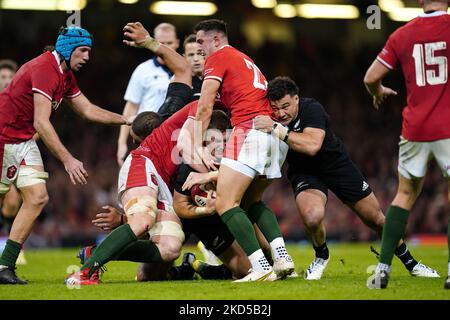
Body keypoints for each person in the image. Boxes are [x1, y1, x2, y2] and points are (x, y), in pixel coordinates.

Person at [254, 76, 439, 281]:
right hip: (305, 172)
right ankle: (321, 256)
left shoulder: (312, 109)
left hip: (337, 166)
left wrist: (277, 129)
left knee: (376, 219)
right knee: (312, 217)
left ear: (297, 99)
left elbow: (312, 145)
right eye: (276, 108)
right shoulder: (272, 117)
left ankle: (412, 264)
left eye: (285, 106)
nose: (280, 113)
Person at [64, 21, 197, 285]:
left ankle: (100, 252)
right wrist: (149, 42)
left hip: (164, 183)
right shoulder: (178, 111)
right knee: (143, 221)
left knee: (170, 248)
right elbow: (181, 69)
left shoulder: (208, 107)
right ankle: (87, 272)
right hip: (142, 167)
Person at [0, 26, 134, 285]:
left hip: (23, 141)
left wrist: (127, 120)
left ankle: (5, 266)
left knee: (37, 198)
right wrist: (68, 159)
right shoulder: (44, 69)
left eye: (89, 51)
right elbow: (41, 121)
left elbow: (88, 110)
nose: (87, 57)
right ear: (67, 47)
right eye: (83, 50)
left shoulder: (65, 74)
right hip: (4, 139)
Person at [193, 19, 294, 281]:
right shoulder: (243, 59)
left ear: (216, 40)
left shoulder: (218, 57)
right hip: (271, 135)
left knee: (226, 203)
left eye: (201, 41)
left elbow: (204, 107)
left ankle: (260, 268)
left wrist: (198, 143)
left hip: (249, 131)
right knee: (251, 201)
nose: (198, 47)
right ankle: (282, 257)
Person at [364, 0, 450, 290]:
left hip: (414, 127)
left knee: (403, 195)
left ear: (420, 2)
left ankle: (382, 270)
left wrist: (377, 93)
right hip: (448, 126)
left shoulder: (402, 34)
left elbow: (371, 77)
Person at [117, 23, 180, 166]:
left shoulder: (186, 71)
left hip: (177, 138)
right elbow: (131, 107)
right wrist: (121, 143)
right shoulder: (143, 70)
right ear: (152, 43)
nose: (165, 47)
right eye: (161, 43)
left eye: (169, 43)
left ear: (177, 43)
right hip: (146, 137)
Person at [0, 59, 27, 265]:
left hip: (11, 157)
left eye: (10, 77)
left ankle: (7, 244)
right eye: (3, 77)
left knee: (12, 202)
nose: (7, 80)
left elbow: (34, 129)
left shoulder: (21, 102)